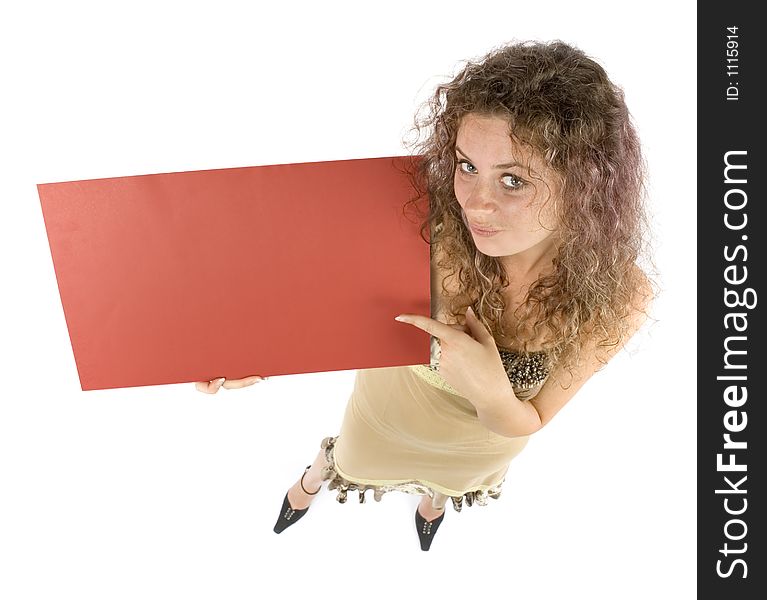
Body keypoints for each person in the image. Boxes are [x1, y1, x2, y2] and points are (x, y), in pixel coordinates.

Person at [195, 39, 654, 551]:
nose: (476, 203)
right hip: (387, 415)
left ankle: (436, 499)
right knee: (350, 455)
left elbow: (532, 419)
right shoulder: (421, 227)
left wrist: (489, 389)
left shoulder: (620, 293)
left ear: (584, 184)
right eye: (466, 166)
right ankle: (317, 473)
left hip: (480, 447)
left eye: (513, 179)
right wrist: (244, 343)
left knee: (448, 485)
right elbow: (310, 302)